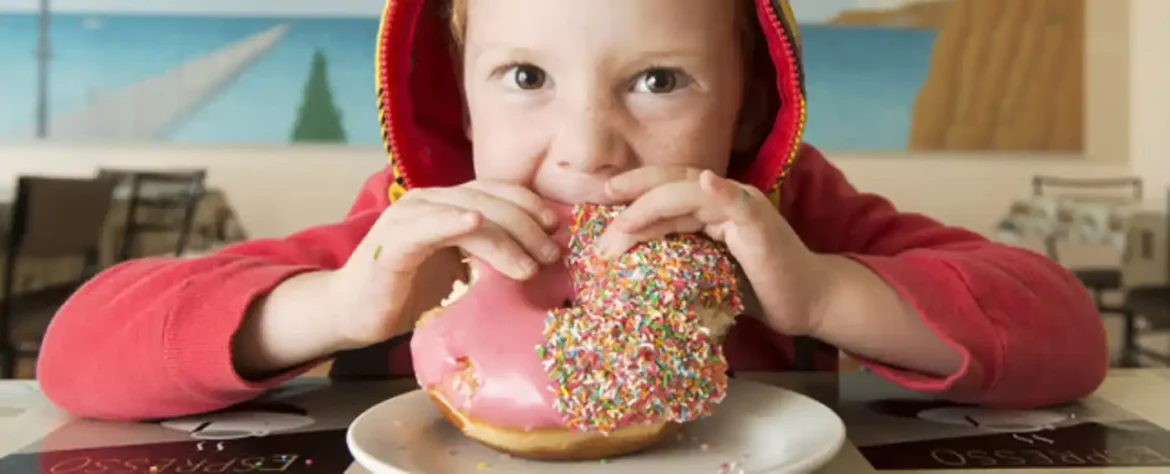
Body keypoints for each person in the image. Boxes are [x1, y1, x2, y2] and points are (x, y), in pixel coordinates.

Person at [37, 0, 1107, 421]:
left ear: (748, 103)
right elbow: (75, 357)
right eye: (525, 79)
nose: (588, 147)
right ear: (456, 94)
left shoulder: (790, 212)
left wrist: (824, 289)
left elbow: (1065, 333)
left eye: (658, 82)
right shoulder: (419, 228)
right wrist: (336, 304)